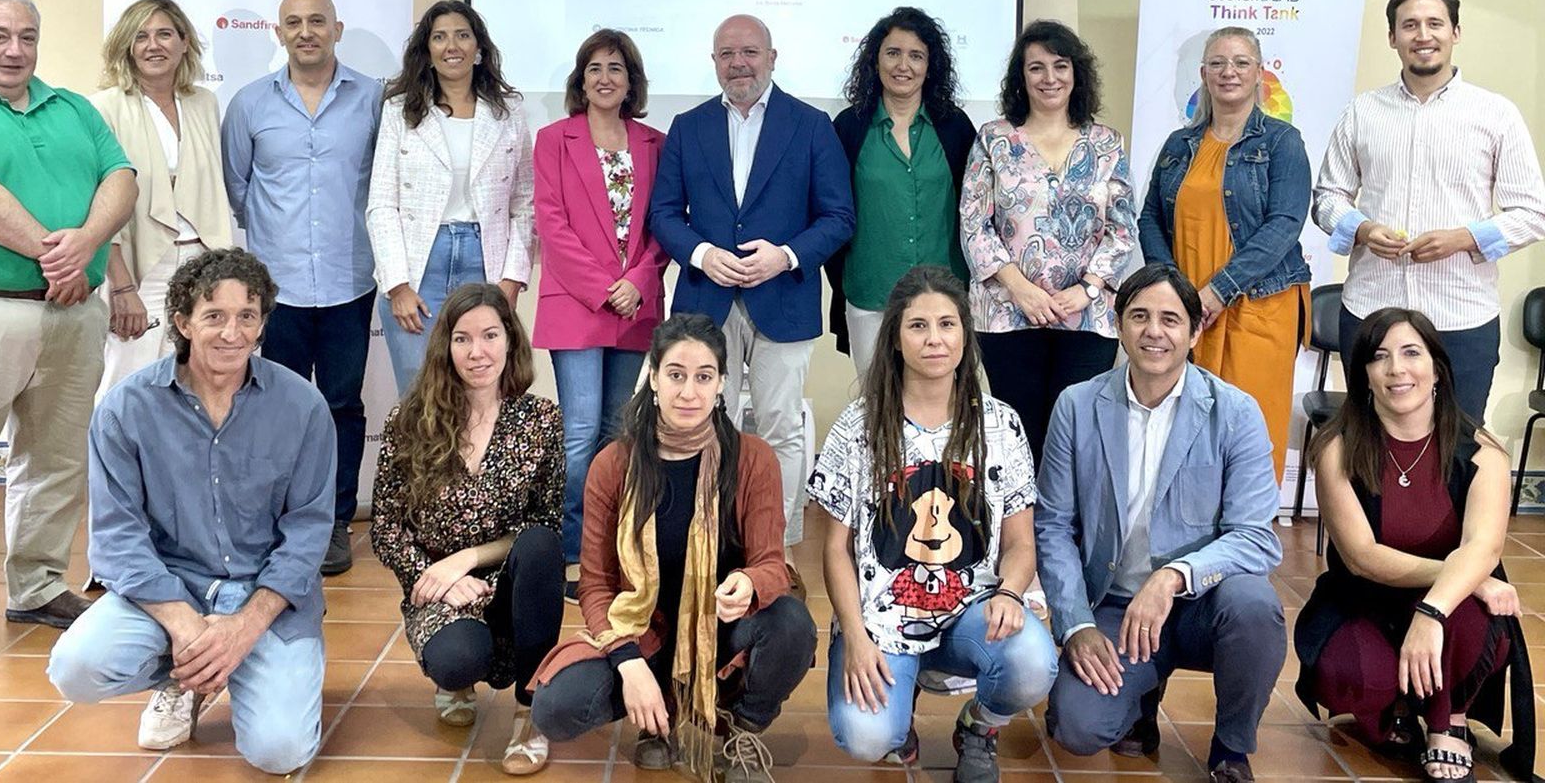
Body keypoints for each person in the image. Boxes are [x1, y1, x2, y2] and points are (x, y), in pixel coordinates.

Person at [47, 248, 334, 775]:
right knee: (75, 669)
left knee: (279, 753)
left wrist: (244, 628)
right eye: (214, 316)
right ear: (181, 322)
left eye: (247, 316)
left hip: (263, 599)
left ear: (263, 322)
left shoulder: (302, 407)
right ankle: (182, 679)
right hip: (170, 592)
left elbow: (309, 532)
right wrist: (189, 629)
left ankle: (260, 665)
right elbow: (116, 537)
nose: (232, 333)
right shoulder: (126, 409)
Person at [530, 314, 817, 783]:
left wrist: (748, 582)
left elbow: (772, 565)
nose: (689, 392)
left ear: (722, 383)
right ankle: (657, 712)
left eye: (704, 377)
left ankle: (743, 727)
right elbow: (597, 587)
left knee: (791, 625)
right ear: (654, 378)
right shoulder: (615, 463)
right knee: (555, 709)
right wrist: (628, 664)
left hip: (723, 630)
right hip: (645, 631)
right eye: (676, 375)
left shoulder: (752, 457)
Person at [0, 0, 138, 667]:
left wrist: (85, 244)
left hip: (71, 313)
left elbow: (121, 179)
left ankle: (38, 584)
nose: (15, 50)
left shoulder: (74, 107)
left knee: (55, 457)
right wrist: (55, 252)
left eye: (27, 36)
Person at [1036, 262, 1285, 783]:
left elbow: (1256, 538)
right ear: (1118, 323)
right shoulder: (1076, 407)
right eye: (1139, 316)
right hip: (1116, 607)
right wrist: (1076, 623)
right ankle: (1142, 695)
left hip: (1202, 605)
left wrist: (1173, 577)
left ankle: (1231, 746)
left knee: (1255, 605)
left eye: (1171, 319)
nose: (1154, 331)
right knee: (1078, 729)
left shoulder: (1235, 412)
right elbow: (1053, 526)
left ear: (1196, 331)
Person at [810, 266, 1058, 782]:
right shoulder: (858, 425)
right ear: (896, 340)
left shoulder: (1001, 424)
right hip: (881, 621)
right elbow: (834, 548)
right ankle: (902, 704)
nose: (934, 339)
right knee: (867, 735)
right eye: (917, 326)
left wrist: (1012, 593)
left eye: (947, 324)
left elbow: (1019, 542)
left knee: (1033, 661)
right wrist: (854, 635)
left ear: (966, 336)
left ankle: (980, 725)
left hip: (973, 611)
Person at [649, 14, 854, 586]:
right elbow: (664, 213)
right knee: (698, 424)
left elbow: (838, 217)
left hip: (782, 299)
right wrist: (701, 254)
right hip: (704, 300)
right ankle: (703, 541)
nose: (739, 63)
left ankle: (776, 550)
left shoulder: (812, 126)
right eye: (726, 54)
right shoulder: (688, 128)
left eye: (749, 52)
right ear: (714, 61)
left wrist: (785, 255)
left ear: (772, 57)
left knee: (780, 428)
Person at [1295, 307, 1535, 783]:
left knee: (1473, 610)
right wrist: (1464, 581)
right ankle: (1402, 703)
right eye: (1379, 357)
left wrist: (1433, 610)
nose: (1396, 369)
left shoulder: (1483, 451)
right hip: (1362, 600)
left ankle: (1450, 721)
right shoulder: (1337, 447)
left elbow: (1481, 549)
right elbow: (1362, 557)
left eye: (1411, 353)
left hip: (1456, 605)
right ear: (1364, 374)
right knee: (1362, 678)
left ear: (1437, 369)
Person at [1313, 0, 1545, 425]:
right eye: (1410, 25)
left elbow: (1533, 212)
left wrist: (1465, 238)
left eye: (1435, 23)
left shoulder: (1494, 113)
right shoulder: (1362, 112)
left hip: (1461, 316)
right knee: (1369, 448)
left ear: (1455, 33)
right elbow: (1327, 197)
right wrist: (1361, 228)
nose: (1423, 35)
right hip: (1371, 310)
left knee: (1458, 449)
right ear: (1392, 37)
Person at [370, 282, 565, 774]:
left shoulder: (541, 420)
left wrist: (469, 558)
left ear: (510, 342)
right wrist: (433, 576)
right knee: (459, 659)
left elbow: (543, 523)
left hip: (509, 581)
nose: (478, 352)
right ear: (445, 346)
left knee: (542, 546)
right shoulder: (410, 420)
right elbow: (387, 527)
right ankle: (453, 680)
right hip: (440, 588)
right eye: (462, 338)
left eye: (490, 336)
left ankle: (529, 711)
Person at [222, 0, 383, 575]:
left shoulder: (373, 99)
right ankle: (277, 521)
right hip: (276, 286)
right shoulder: (248, 105)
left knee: (341, 404)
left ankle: (335, 522)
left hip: (349, 279)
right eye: (294, 22)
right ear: (279, 32)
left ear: (337, 29)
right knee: (273, 408)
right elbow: (238, 190)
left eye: (317, 21)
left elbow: (384, 181)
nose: (306, 31)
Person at [959, 20, 1136, 467]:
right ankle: (1020, 536)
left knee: (1077, 436)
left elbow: (1123, 227)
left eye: (1060, 65)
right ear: (1022, 77)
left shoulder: (1106, 143)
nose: (1049, 78)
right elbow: (974, 224)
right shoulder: (993, 139)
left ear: (1077, 73)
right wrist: (1021, 288)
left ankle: (1065, 535)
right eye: (1036, 67)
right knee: (1019, 434)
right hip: (1006, 312)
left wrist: (1089, 288)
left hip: (1087, 316)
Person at [1139, 25, 1312, 483]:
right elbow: (1150, 218)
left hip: (1258, 307)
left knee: (1250, 426)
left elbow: (1285, 225)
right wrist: (1172, 292)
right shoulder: (1180, 145)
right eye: (1217, 63)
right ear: (1203, 73)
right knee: (1186, 427)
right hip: (1188, 309)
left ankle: (1248, 535)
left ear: (1259, 72)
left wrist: (1218, 291)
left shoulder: (1282, 142)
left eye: (1240, 63)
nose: (1228, 72)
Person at [533, 29, 667, 580]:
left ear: (631, 81)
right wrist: (603, 286)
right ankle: (573, 551)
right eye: (594, 68)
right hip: (576, 304)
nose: (605, 77)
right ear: (580, 80)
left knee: (619, 432)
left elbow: (664, 224)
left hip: (635, 306)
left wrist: (637, 279)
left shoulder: (656, 143)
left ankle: (612, 547)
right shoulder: (552, 139)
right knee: (581, 432)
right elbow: (552, 224)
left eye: (616, 67)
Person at [367, 0, 534, 393]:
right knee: (418, 391)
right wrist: (397, 285)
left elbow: (524, 202)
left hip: (484, 260)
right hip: (419, 264)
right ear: (427, 50)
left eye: (462, 35)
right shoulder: (399, 110)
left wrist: (510, 280)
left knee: (482, 389)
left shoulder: (509, 111)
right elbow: (381, 204)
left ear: (479, 48)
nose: (451, 45)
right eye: (439, 37)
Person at [90, 0, 234, 395]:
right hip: (139, 266)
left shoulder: (204, 103)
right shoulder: (105, 108)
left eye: (164, 34)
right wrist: (120, 287)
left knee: (197, 379)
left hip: (204, 261)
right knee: (128, 381)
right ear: (127, 46)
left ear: (184, 42)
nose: (153, 45)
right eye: (141, 37)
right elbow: (99, 205)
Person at [827, 7, 975, 379]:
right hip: (870, 293)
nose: (902, 65)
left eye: (916, 55)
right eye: (893, 53)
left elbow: (974, 210)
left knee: (942, 404)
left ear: (931, 65)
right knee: (876, 409)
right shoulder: (849, 127)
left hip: (944, 299)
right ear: (875, 60)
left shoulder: (954, 127)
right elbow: (832, 212)